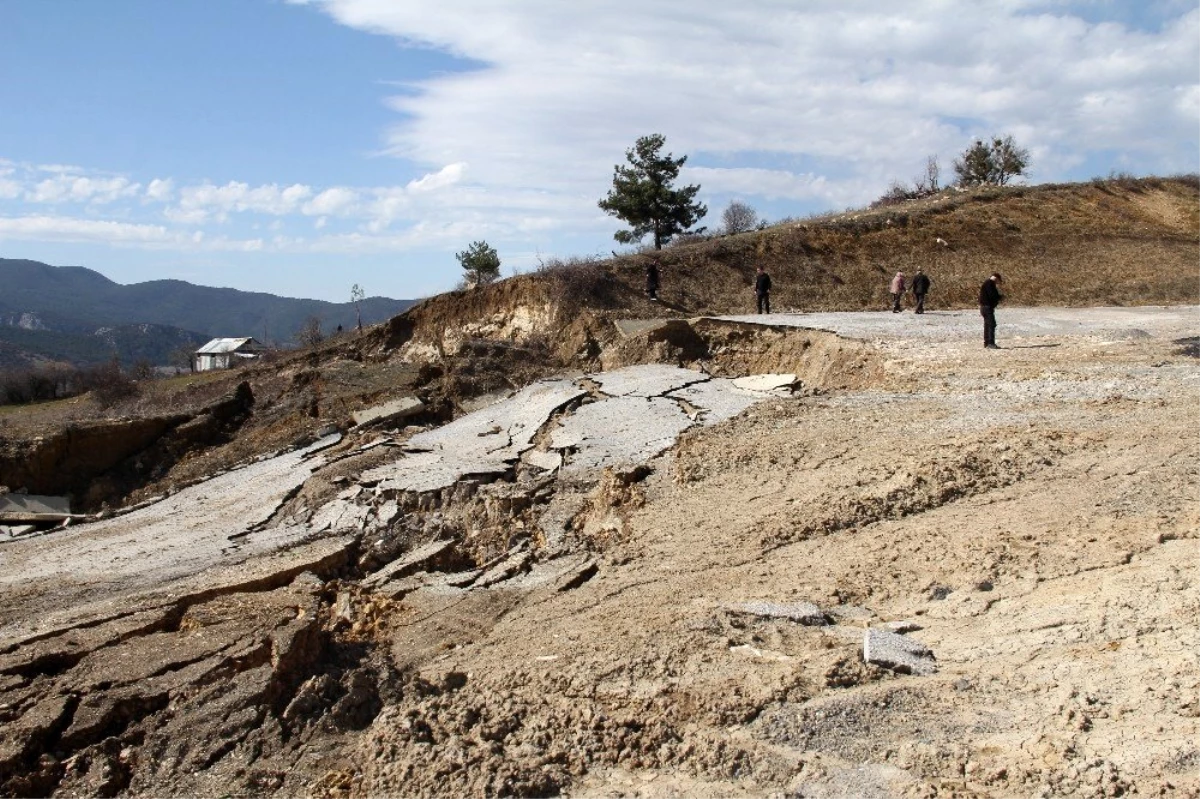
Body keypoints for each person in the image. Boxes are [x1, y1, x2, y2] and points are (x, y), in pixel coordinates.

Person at [979, 272, 1004, 348]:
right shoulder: (990, 284)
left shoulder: (987, 283)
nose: (998, 283)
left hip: (984, 307)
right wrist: (1000, 297)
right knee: (991, 324)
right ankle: (990, 343)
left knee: (987, 325)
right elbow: (992, 295)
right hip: (987, 307)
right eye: (998, 281)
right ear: (996, 278)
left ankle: (987, 343)